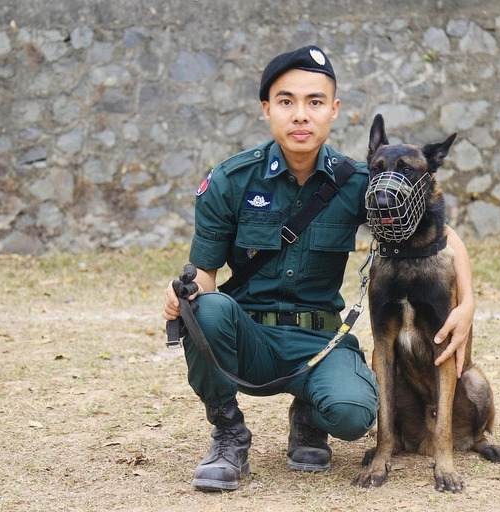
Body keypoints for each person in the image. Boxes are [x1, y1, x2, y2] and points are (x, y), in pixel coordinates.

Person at [162, 45, 476, 492]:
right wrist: (185, 295)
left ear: (334, 111)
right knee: (203, 309)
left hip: (319, 342)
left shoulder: (359, 181)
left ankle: (311, 415)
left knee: (352, 413)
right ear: (267, 109)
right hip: (250, 337)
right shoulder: (231, 181)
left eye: (314, 102)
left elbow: (441, 231)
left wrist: (468, 304)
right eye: (287, 102)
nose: (300, 115)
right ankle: (229, 433)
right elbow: (204, 272)